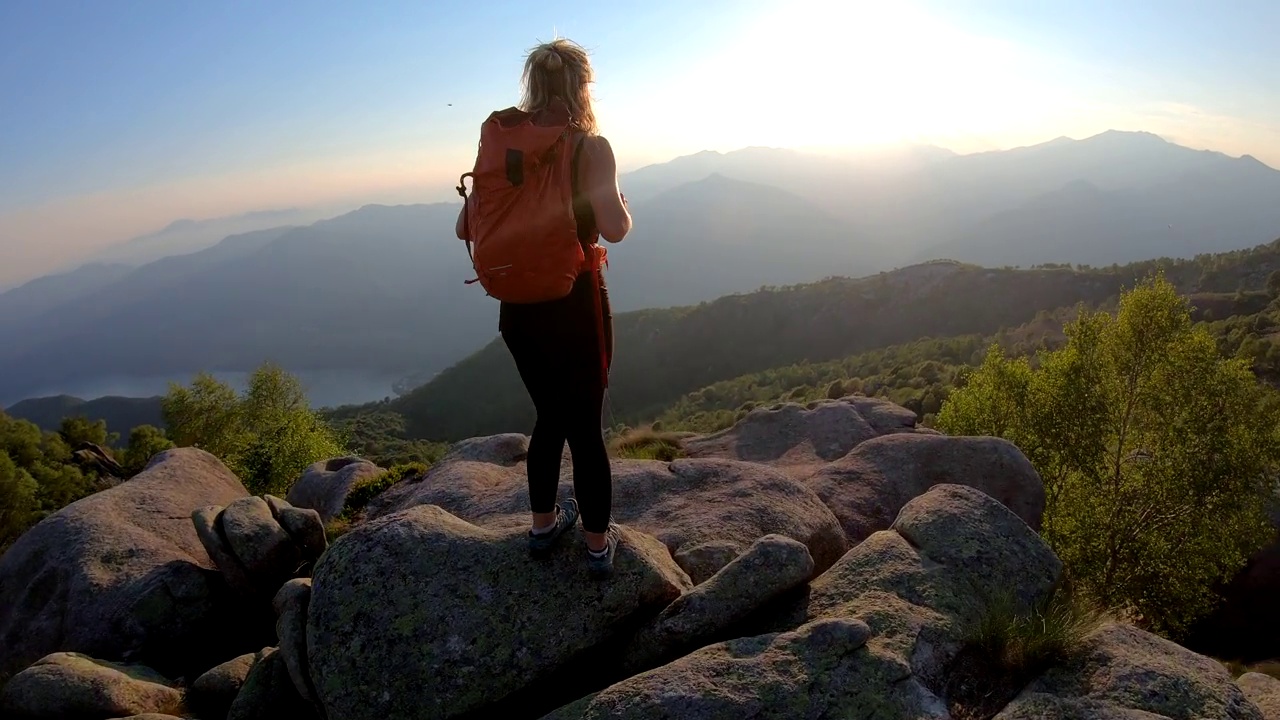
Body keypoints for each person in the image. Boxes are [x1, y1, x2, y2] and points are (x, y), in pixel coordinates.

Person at [455, 38, 632, 577]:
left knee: (549, 416)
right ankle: (598, 548)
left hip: (517, 309)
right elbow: (615, 230)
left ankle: (541, 527)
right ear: (582, 86)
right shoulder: (588, 147)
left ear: (532, 84)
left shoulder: (502, 148)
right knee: (586, 427)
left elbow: (465, 227)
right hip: (575, 301)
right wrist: (620, 203)